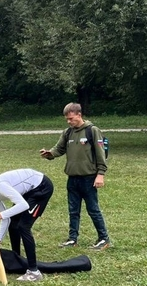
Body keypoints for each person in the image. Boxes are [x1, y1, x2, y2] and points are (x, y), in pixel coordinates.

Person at [39, 102, 111, 251]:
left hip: (89, 178)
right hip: (72, 179)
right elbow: (59, 148)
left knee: (93, 209)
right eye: (67, 119)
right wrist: (49, 154)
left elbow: (100, 153)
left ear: (79, 115)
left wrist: (100, 174)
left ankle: (103, 239)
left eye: (71, 118)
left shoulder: (92, 130)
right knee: (73, 210)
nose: (69, 122)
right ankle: (72, 239)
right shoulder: (68, 132)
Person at [0, 168, 54, 282]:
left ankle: (34, 272)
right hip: (29, 191)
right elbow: (6, 219)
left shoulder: (0, 187)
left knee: (23, 227)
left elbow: (23, 205)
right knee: (13, 224)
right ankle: (17, 260)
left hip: (41, 187)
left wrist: (0, 215)